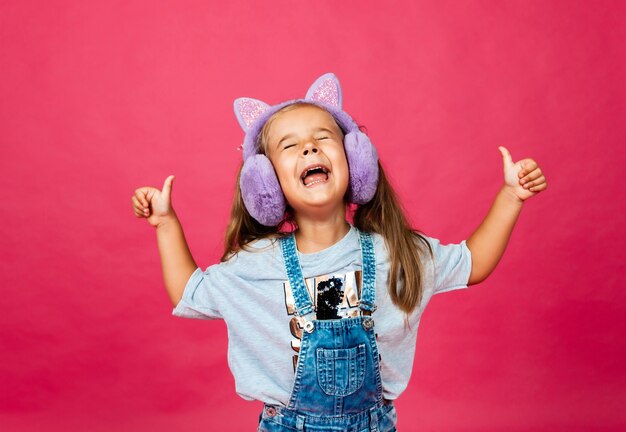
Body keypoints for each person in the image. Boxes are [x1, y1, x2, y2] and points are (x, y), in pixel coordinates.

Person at [131, 73, 547, 431]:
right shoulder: (258, 263)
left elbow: (472, 264)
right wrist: (167, 224)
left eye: (322, 138)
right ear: (266, 183)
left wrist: (512, 196)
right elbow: (190, 291)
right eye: (290, 146)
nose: (310, 149)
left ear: (355, 161)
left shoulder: (394, 252)